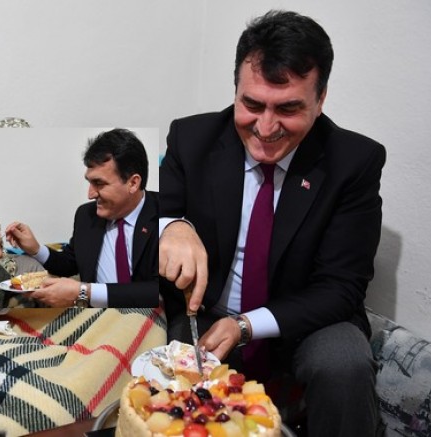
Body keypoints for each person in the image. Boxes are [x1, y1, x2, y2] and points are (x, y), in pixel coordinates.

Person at [158, 10, 384, 436]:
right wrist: (173, 225)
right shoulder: (191, 138)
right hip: (208, 314)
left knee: (344, 362)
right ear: (236, 90)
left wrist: (246, 326)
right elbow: (153, 209)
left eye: (288, 108)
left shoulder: (354, 162)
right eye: (252, 105)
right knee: (172, 368)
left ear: (320, 99)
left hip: (307, 321)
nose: (265, 127)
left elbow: (342, 287)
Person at [5, 128, 159, 308]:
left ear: (133, 183)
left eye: (99, 183)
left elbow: (158, 291)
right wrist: (36, 249)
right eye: (89, 182)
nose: (90, 194)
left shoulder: (166, 216)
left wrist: (84, 292)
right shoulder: (86, 215)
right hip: (94, 316)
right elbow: (71, 263)